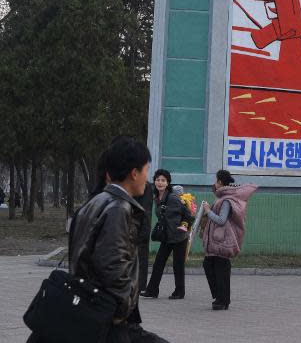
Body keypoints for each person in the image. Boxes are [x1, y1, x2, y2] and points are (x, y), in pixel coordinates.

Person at [28, 137, 166, 343]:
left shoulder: (95, 202)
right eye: (146, 169)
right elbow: (114, 267)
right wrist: (121, 312)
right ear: (134, 173)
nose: (147, 177)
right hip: (103, 315)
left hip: (87, 305)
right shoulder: (119, 209)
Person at [201, 169, 258, 310]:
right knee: (211, 265)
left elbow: (221, 220)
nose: (214, 184)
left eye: (216, 181)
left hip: (222, 240)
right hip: (218, 241)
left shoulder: (226, 200)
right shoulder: (222, 198)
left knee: (220, 271)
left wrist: (208, 211)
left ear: (220, 182)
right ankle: (221, 299)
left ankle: (222, 300)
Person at [141, 170, 191, 300]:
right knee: (158, 263)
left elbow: (188, 214)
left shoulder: (172, 198)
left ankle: (179, 292)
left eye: (163, 180)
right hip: (167, 237)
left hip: (179, 237)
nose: (160, 183)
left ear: (168, 182)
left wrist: (183, 226)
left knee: (178, 265)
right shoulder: (157, 197)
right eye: (158, 180)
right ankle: (152, 290)